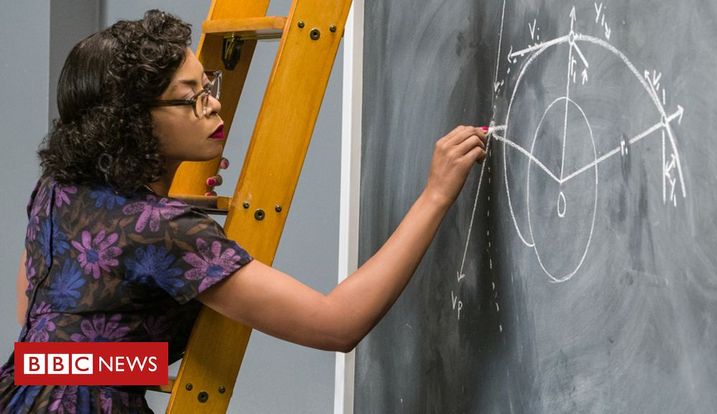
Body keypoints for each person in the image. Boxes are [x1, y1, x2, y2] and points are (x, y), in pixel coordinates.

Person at [0, 10, 488, 413]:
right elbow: (337, 324)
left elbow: (40, 332)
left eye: (207, 84)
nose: (213, 105)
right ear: (131, 123)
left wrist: (126, 366)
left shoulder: (59, 190)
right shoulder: (165, 231)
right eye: (192, 98)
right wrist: (436, 194)